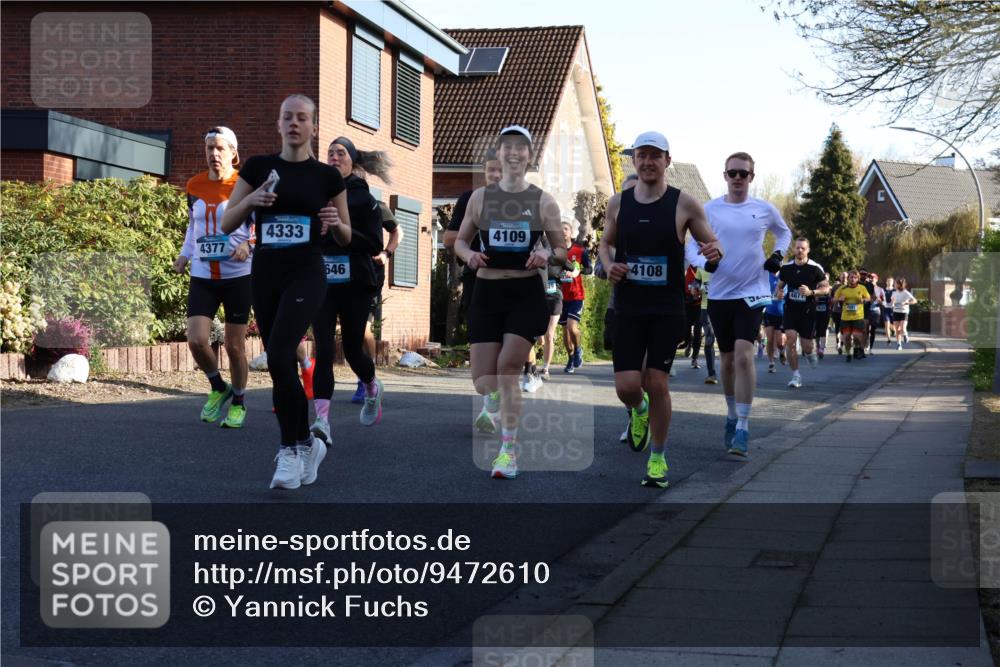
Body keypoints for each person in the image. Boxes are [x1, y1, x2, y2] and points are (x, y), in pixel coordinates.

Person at [221, 93, 350, 490]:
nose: (294, 123)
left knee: (278, 353)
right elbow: (227, 221)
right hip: (266, 274)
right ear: (278, 125)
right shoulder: (259, 168)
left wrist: (333, 219)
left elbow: (345, 236)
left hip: (307, 273)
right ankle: (306, 442)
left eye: (302, 118)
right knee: (279, 365)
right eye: (287, 117)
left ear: (313, 126)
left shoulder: (327, 177)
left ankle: (291, 449)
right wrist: (253, 201)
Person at [600, 131, 721, 488]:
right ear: (634, 160)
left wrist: (715, 251)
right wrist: (609, 266)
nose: (648, 161)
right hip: (628, 306)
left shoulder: (684, 203)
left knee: (656, 381)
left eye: (656, 155)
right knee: (627, 386)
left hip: (667, 307)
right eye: (642, 155)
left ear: (668, 160)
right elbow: (606, 245)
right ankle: (638, 412)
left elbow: (709, 242)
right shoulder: (617, 203)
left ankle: (657, 457)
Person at [454, 125, 566, 480]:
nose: (514, 153)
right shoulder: (480, 199)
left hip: (524, 294)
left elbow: (561, 250)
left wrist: (547, 253)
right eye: (507, 147)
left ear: (529, 156)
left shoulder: (543, 201)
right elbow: (459, 241)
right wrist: (468, 255)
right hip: (487, 294)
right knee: (484, 381)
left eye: (521, 148)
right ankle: (493, 400)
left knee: (508, 370)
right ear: (499, 154)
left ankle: (507, 452)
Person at [699, 151, 792, 458]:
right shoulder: (710, 209)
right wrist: (703, 263)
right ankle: (730, 414)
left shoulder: (763, 209)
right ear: (724, 176)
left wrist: (778, 254)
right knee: (726, 361)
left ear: (752, 177)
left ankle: (743, 427)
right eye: (732, 173)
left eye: (743, 173)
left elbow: (784, 232)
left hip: (752, 293)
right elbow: (689, 242)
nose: (737, 178)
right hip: (720, 294)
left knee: (743, 356)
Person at [307, 136, 388, 446]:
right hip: (322, 280)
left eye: (341, 153)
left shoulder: (363, 198)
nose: (334, 157)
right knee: (324, 348)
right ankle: (322, 420)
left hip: (355, 280)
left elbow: (374, 244)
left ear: (353, 162)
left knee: (353, 348)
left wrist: (342, 229)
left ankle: (371, 387)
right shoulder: (316, 193)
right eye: (330, 153)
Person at [173, 126, 254, 428]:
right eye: (209, 148)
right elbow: (193, 227)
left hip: (238, 275)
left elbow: (259, 225)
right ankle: (219, 387)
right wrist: (184, 255)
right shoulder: (194, 184)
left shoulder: (245, 185)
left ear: (233, 153)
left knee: (234, 347)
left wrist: (249, 244)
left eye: (220, 148)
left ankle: (240, 401)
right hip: (204, 273)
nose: (214, 154)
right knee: (195, 340)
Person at [353, 200, 401, 403]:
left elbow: (398, 232)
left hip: (370, 273)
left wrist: (386, 253)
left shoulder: (375, 205)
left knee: (363, 325)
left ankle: (367, 377)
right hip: (341, 270)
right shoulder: (331, 201)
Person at [774, 237, 828, 388]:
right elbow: (779, 287)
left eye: (803, 248)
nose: (799, 250)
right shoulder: (786, 268)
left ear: (808, 250)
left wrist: (811, 292)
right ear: (794, 249)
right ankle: (796, 375)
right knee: (790, 339)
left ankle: (810, 353)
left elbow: (826, 288)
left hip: (808, 311)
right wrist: (778, 293)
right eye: (797, 248)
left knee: (807, 346)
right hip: (790, 310)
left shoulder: (815, 268)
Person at [559, 218, 592, 373]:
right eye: (560, 229)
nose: (562, 231)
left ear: (571, 232)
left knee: (572, 328)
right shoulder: (556, 251)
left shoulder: (579, 251)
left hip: (576, 295)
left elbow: (589, 269)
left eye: (565, 228)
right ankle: (571, 359)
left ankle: (578, 349)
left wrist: (577, 272)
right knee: (565, 331)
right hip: (560, 296)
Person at [832, 269, 870, 362]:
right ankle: (848, 353)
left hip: (858, 316)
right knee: (847, 336)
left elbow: (868, 298)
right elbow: (833, 300)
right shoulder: (842, 288)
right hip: (845, 317)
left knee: (857, 335)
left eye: (855, 277)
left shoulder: (862, 288)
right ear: (848, 278)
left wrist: (864, 300)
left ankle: (857, 348)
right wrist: (839, 299)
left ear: (858, 279)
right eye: (851, 277)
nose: (853, 279)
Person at [695, 264, 718, 383]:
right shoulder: (700, 266)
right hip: (706, 308)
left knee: (728, 341)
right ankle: (711, 374)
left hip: (723, 307)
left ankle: (733, 371)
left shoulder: (725, 262)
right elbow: (696, 283)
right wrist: (695, 289)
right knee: (709, 338)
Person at [762, 272, 785, 373]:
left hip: (782, 314)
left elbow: (788, 293)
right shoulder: (765, 276)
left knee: (780, 342)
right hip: (769, 312)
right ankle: (771, 362)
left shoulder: (784, 276)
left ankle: (782, 351)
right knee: (769, 339)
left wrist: (783, 295)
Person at [682, 265, 704, 369]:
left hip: (700, 305)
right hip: (687, 304)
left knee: (698, 331)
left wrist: (700, 293)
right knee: (685, 329)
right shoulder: (686, 268)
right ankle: (688, 341)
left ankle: (694, 358)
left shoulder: (704, 268)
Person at [890, 277, 917, 349]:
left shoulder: (906, 292)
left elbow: (915, 301)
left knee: (902, 328)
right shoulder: (894, 293)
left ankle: (905, 335)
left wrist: (906, 302)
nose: (894, 285)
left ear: (899, 285)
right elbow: (892, 301)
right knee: (897, 329)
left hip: (904, 312)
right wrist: (892, 303)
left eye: (895, 283)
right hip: (896, 312)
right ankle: (899, 344)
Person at [814, 272, 832, 358]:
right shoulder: (814, 287)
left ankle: (822, 348)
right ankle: (817, 346)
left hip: (825, 312)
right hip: (816, 312)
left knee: (823, 330)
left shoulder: (829, 289)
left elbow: (831, 300)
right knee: (817, 331)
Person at [831, 271, 847, 353]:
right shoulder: (835, 287)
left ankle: (842, 343)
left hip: (847, 312)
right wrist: (836, 299)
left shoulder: (851, 287)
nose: (844, 278)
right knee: (837, 328)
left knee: (844, 329)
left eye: (845, 277)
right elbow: (831, 299)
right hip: (836, 311)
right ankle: (838, 344)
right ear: (840, 278)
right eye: (843, 277)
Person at [883, 276, 896, 345]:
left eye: (891, 281)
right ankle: (889, 339)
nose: (889, 282)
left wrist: (893, 302)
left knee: (893, 325)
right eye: (888, 281)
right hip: (885, 309)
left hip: (893, 310)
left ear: (893, 282)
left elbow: (896, 299)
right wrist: (882, 302)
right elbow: (881, 298)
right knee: (887, 325)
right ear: (886, 282)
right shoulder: (883, 290)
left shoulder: (895, 291)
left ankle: (893, 330)